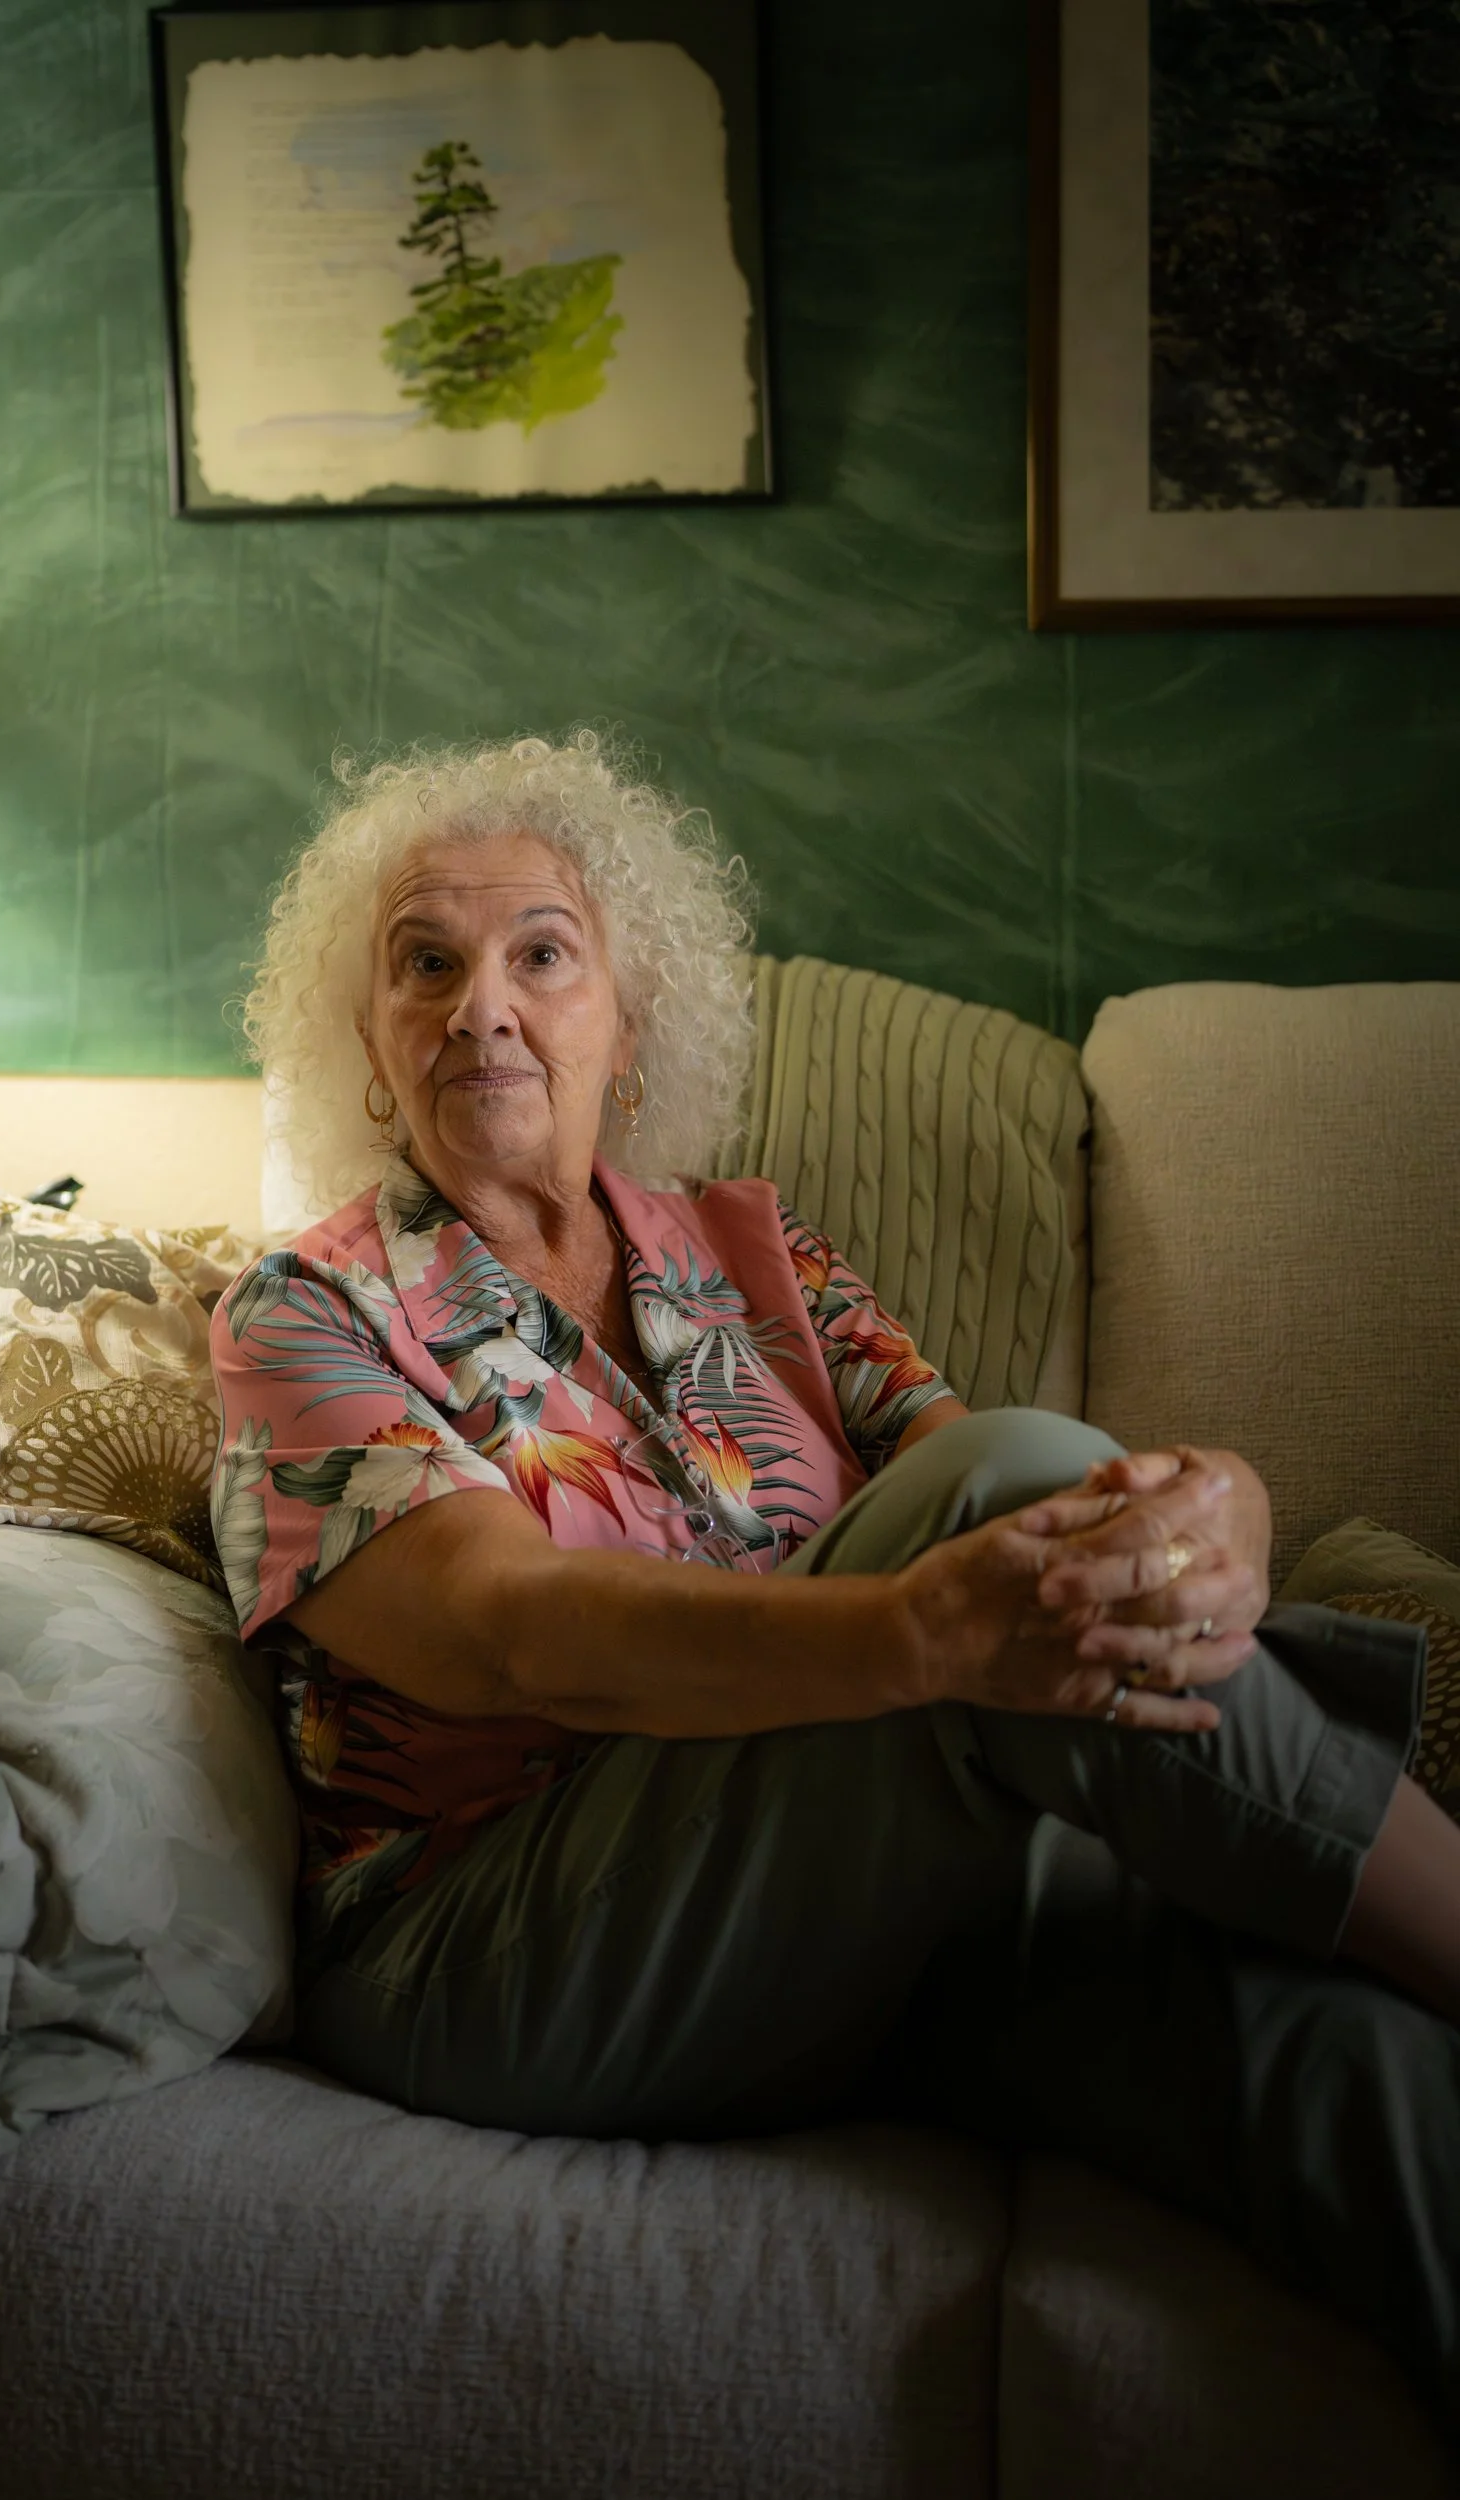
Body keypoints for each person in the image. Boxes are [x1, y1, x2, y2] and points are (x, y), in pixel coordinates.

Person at [211, 731, 1460, 2436]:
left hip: (848, 1905)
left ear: (626, 1021)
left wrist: (1219, 1500)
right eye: (424, 964)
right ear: (368, 1041)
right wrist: (924, 1630)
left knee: (1352, 2073)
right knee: (1010, 1493)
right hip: (499, 1950)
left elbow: (1048, 1511)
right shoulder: (307, 1313)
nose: (479, 1007)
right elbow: (506, 1628)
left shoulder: (755, 1253)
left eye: (541, 956)